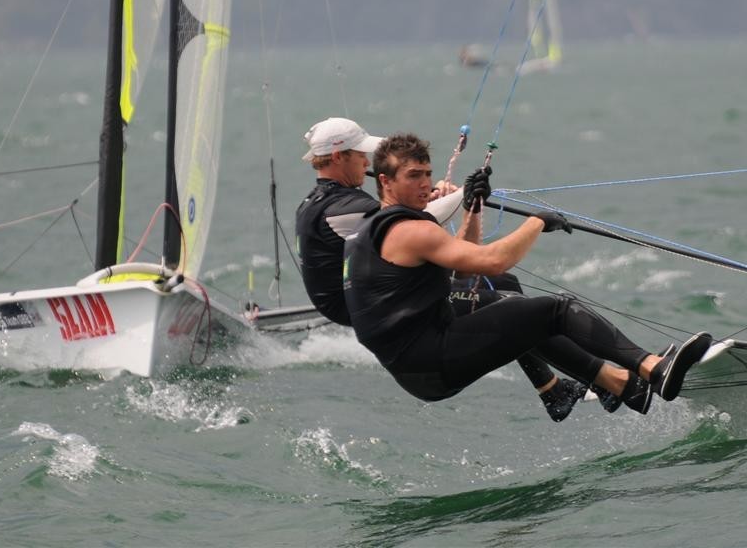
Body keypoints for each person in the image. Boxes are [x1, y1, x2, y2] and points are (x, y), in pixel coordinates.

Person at [343, 132, 712, 409]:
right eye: (412, 176)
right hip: (431, 360)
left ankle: (621, 385)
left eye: (427, 174)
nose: (425, 184)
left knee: (515, 309)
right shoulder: (409, 230)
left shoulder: (380, 227)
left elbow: (466, 261)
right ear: (385, 181)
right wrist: (537, 222)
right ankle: (654, 370)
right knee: (556, 309)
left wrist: (473, 206)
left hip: (419, 364)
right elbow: (493, 261)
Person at [295, 117, 587, 421]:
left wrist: (425, 195)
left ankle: (551, 389)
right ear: (339, 157)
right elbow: (400, 229)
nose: (366, 162)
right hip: (369, 301)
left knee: (504, 281)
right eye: (360, 157)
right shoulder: (345, 207)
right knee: (504, 302)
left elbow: (401, 218)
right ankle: (586, 381)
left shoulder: (324, 199)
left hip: (372, 287)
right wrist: (463, 195)